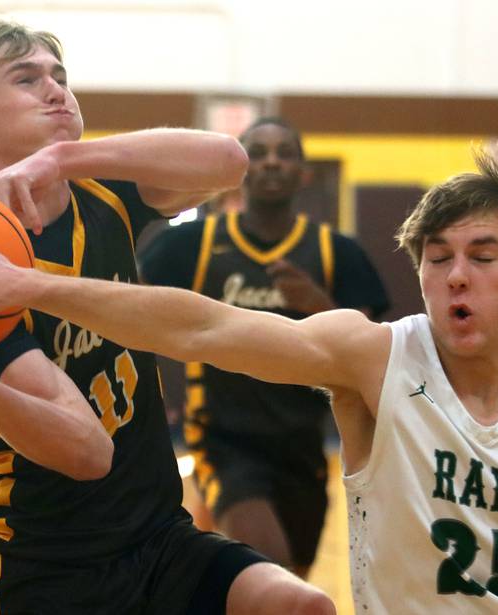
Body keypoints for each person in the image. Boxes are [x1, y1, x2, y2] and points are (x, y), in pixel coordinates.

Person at [0, 147, 498, 614]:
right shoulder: (378, 356)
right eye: (438, 259)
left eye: (483, 257)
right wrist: (24, 283)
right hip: (223, 449)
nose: (456, 276)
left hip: (294, 453)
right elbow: (200, 329)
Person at [0, 20, 334, 615]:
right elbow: (88, 452)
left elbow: (228, 161)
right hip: (43, 562)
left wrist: (62, 157)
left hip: (159, 537)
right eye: (26, 79)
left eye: (61, 76)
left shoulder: (101, 195)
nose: (56, 90)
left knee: (300, 606)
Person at [137, 117, 389, 576]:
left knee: (291, 581)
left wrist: (319, 306)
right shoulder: (193, 244)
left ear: (304, 173)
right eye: (259, 151)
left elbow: (370, 358)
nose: (272, 161)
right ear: (239, 168)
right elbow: (125, 308)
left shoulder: (337, 253)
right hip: (224, 441)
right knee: (271, 571)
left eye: (284, 152)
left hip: (303, 447)